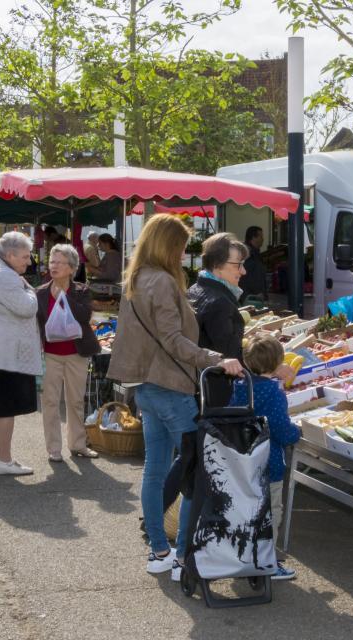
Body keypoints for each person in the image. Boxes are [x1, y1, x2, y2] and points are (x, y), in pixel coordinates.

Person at [107, 214, 243, 580]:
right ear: (167, 244)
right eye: (182, 245)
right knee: (195, 474)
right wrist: (217, 358)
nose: (185, 253)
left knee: (155, 470)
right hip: (168, 387)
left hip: (145, 388)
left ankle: (159, 550)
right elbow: (173, 340)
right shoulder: (163, 282)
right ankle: (183, 557)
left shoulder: (136, 279)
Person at [229, 334, 301, 580]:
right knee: (272, 513)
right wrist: (297, 433)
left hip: (242, 463)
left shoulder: (239, 387)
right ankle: (267, 562)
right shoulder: (273, 392)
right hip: (268, 464)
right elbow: (281, 430)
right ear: (278, 362)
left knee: (247, 512)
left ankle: (245, 555)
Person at [0, 232, 42, 475]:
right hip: (6, 354)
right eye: (25, 257)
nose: (29, 262)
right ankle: (4, 461)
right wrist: (31, 291)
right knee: (6, 408)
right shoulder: (5, 277)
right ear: (10, 255)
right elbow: (27, 308)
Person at [36, 244, 101, 462]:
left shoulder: (81, 290)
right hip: (50, 355)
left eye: (59, 262)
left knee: (75, 401)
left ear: (72, 268)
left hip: (76, 353)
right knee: (50, 402)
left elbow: (84, 316)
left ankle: (78, 445)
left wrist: (64, 296)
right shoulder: (41, 292)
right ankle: (54, 449)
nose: (53, 266)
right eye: (52, 262)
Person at [188, 232, 249, 408]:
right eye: (238, 265)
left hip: (198, 385)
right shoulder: (220, 303)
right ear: (217, 265)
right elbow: (229, 355)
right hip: (216, 392)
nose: (243, 271)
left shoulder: (196, 288)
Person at [239, 225, 268, 303]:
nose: (262, 239)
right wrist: (258, 292)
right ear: (253, 238)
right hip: (251, 298)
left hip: (253, 297)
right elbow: (248, 277)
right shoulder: (248, 254)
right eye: (261, 236)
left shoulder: (255, 253)